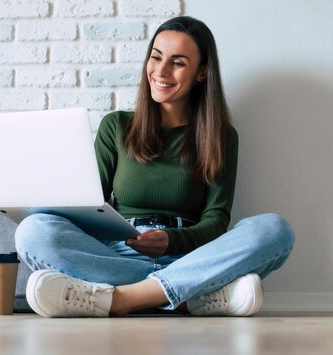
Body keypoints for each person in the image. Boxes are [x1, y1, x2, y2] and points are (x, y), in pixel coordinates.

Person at [15, 16, 294, 318]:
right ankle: (190, 297)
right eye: (156, 57)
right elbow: (89, 206)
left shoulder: (222, 137)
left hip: (190, 257)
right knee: (33, 231)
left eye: (178, 63)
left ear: (201, 73)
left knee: (275, 230)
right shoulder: (117, 126)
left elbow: (216, 219)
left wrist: (172, 241)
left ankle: (121, 298)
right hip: (117, 254)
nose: (160, 72)